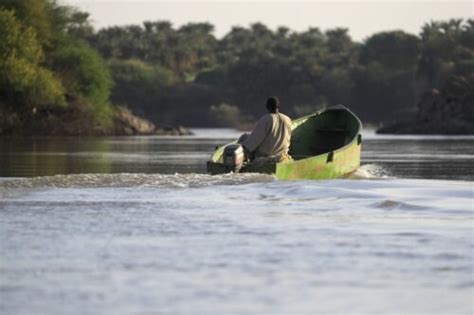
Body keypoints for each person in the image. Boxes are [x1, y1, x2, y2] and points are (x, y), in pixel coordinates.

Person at [239, 96, 292, 163]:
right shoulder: (287, 119)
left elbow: (254, 140)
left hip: (265, 155)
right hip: (282, 155)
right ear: (278, 106)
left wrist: (242, 146)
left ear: (267, 107)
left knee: (244, 137)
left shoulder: (266, 119)